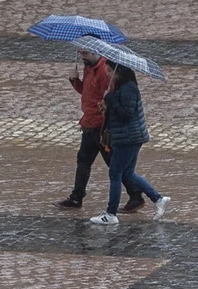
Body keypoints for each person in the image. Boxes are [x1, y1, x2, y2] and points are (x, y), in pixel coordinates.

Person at [56, 50, 145, 212]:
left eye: (85, 53)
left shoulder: (105, 71)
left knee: (115, 165)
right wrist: (75, 81)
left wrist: (106, 110)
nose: (82, 56)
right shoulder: (88, 68)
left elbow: (112, 97)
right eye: (81, 52)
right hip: (88, 123)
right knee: (83, 161)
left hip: (101, 126)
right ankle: (76, 197)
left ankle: (136, 195)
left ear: (95, 51)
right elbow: (87, 92)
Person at [88, 63, 169, 226]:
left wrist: (111, 101)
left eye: (110, 71)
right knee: (128, 174)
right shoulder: (118, 87)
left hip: (129, 138)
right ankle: (158, 198)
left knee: (115, 174)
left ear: (119, 72)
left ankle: (111, 214)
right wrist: (106, 106)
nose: (107, 74)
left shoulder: (129, 89)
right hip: (127, 137)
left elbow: (127, 114)